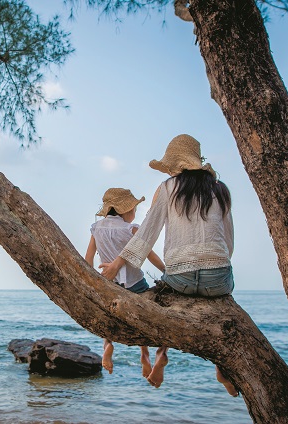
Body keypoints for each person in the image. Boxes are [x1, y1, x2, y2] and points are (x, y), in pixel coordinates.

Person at [99, 134, 239, 395]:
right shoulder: (221, 190)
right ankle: (222, 367)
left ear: (177, 166)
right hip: (218, 279)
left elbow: (146, 234)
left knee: (165, 301)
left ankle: (162, 354)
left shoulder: (167, 188)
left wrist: (116, 266)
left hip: (181, 280)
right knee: (220, 307)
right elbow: (228, 243)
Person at [84, 188, 166, 377]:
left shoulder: (97, 228)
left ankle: (108, 346)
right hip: (134, 283)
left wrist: (91, 280)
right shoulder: (131, 229)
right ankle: (145, 353)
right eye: (133, 209)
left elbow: (88, 257)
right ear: (125, 210)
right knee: (146, 314)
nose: (134, 213)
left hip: (108, 282)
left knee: (109, 314)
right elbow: (149, 254)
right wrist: (165, 271)